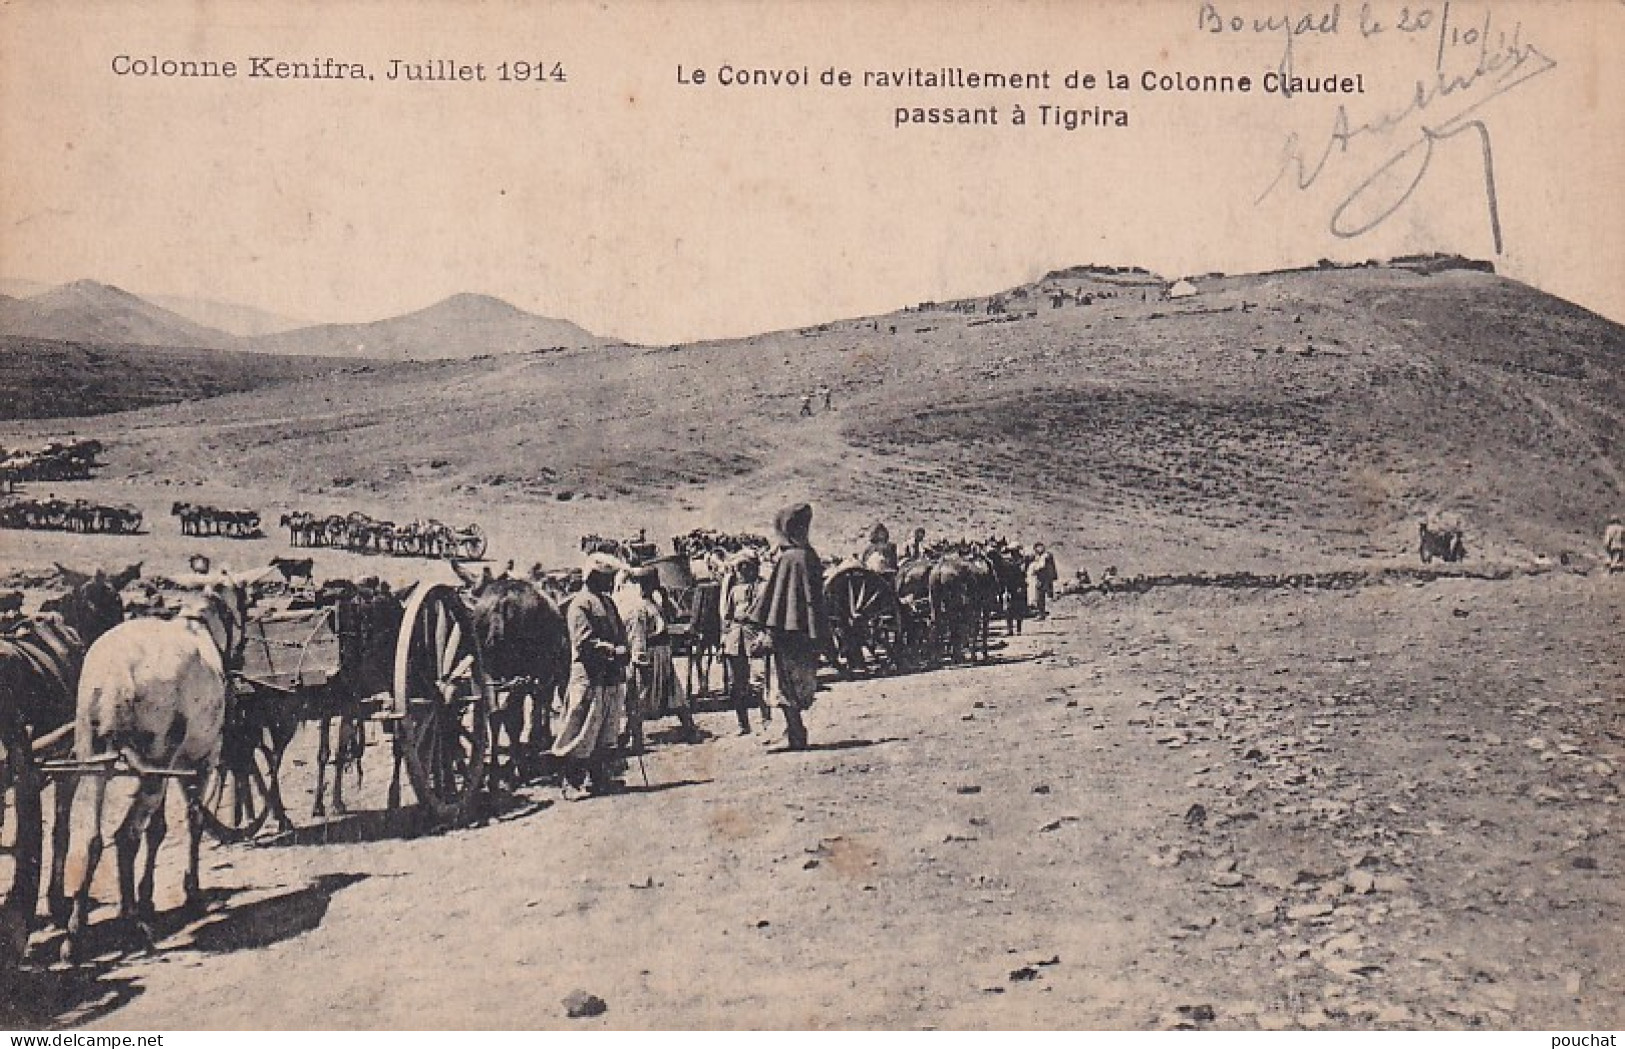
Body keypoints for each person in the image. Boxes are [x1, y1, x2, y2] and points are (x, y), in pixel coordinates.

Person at [747, 502, 829, 751]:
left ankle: (796, 732)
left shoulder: (790, 559)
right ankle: (795, 730)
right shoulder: (808, 555)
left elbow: (776, 600)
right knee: (796, 684)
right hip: (805, 633)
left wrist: (769, 628)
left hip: (787, 635)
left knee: (784, 686)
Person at [550, 552, 632, 799]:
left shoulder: (607, 603)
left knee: (606, 730)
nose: (610, 583)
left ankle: (601, 779)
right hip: (588, 676)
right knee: (581, 729)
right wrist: (612, 651)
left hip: (610, 677)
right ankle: (571, 783)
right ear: (594, 577)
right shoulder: (580, 604)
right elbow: (584, 642)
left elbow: (620, 632)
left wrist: (624, 649)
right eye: (607, 578)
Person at [618, 565, 698, 749]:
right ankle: (634, 737)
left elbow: (674, 615)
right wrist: (639, 659)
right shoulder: (637, 608)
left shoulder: (654, 604)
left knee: (673, 691)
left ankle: (689, 728)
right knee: (639, 695)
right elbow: (637, 636)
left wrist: (664, 597)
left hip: (661, 653)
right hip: (649, 655)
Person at [720, 551, 769, 735]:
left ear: (754, 567)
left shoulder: (764, 588)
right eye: (739, 567)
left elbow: (768, 615)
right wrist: (724, 639)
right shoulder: (734, 590)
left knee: (759, 682)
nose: (741, 571)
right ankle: (743, 724)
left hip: (754, 636)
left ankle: (766, 721)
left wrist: (763, 635)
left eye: (745, 566)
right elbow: (727, 617)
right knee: (736, 685)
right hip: (735, 638)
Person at [1027, 542, 1058, 618]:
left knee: (1041, 596)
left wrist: (1034, 569)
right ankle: (1043, 612)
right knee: (1042, 596)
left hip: (1043, 579)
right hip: (1044, 579)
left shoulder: (1045, 556)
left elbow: (1041, 566)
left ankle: (1042, 613)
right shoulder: (1043, 556)